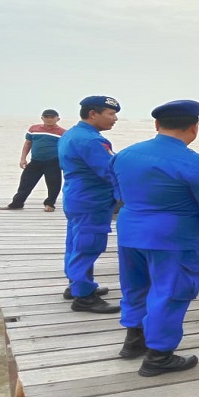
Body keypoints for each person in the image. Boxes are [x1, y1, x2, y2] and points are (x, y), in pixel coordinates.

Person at [110, 100, 199, 377]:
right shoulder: (196, 163)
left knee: (135, 286)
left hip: (130, 231)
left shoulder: (125, 155)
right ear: (194, 128)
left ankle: (134, 341)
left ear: (157, 125)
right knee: (170, 292)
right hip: (172, 237)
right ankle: (159, 356)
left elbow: (117, 191)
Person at [58, 96, 122, 313]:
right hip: (92, 200)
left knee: (75, 243)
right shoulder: (92, 141)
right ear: (93, 113)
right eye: (111, 114)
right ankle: (84, 297)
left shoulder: (72, 134)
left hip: (76, 196)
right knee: (88, 245)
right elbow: (111, 172)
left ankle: (76, 285)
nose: (114, 119)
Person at [0, 109, 65, 211]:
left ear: (58, 119)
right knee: (25, 183)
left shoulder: (62, 133)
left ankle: (50, 204)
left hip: (53, 162)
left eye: (52, 117)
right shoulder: (34, 129)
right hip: (35, 161)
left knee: (53, 185)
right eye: (46, 117)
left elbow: (66, 148)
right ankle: (17, 204)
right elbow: (28, 143)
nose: (49, 119)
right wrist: (23, 158)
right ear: (42, 118)